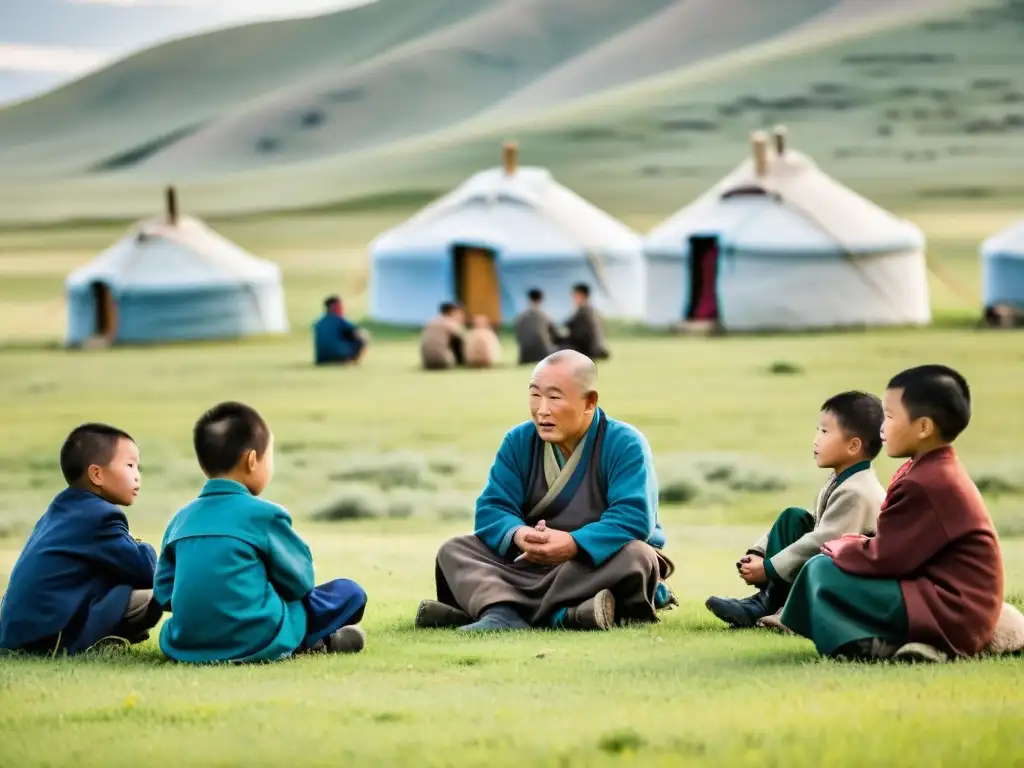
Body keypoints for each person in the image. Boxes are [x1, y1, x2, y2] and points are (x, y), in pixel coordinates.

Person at [415, 349, 676, 632]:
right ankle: (569, 614)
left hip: (591, 563)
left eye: (554, 397)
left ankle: (503, 611)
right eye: (535, 395)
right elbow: (492, 508)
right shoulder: (519, 441)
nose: (542, 409)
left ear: (589, 402)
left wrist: (573, 543)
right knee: (455, 550)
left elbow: (633, 518)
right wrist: (519, 535)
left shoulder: (625, 443)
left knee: (638, 557)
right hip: (530, 563)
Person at [780, 365, 1004, 663]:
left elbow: (887, 558)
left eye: (889, 417)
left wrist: (845, 546)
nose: (881, 428)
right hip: (949, 599)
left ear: (923, 427)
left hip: (952, 609)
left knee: (823, 569)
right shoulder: (933, 469)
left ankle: (872, 648)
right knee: (824, 566)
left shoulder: (927, 482)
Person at [154, 402, 368, 663]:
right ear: (252, 460)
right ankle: (311, 642)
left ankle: (318, 641)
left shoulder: (180, 520)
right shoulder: (266, 515)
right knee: (349, 592)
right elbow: (300, 582)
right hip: (257, 637)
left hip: (186, 643)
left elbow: (164, 593)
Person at [705, 391, 885, 629]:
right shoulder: (843, 479)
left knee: (813, 542)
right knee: (794, 518)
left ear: (853, 446)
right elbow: (814, 529)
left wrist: (768, 569)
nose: (816, 439)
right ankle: (766, 602)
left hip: (850, 581)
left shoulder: (857, 492)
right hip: (830, 566)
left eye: (824, 432)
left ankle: (776, 608)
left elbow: (822, 540)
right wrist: (760, 552)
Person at [0, 424, 161, 656]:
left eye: (138, 467)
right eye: (130, 465)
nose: (137, 475)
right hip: (50, 640)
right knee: (155, 593)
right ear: (96, 474)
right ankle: (93, 644)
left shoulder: (60, 509)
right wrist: (143, 546)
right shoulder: (101, 517)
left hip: (19, 634)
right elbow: (146, 569)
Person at [313, 295, 369, 365]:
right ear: (334, 307)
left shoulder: (318, 322)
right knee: (362, 336)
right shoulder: (340, 320)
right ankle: (353, 362)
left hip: (321, 359)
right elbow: (356, 332)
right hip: (339, 357)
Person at [514, 288, 564, 365]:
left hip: (525, 356)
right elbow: (555, 335)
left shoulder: (521, 317)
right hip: (544, 355)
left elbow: (518, 337)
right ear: (541, 299)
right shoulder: (545, 316)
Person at [561, 283, 609, 361]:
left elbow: (575, 334)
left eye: (575, 295)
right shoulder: (593, 311)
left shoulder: (583, 312)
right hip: (597, 348)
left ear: (581, 295)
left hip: (589, 350)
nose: (573, 298)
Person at [420, 302, 466, 370]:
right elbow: (463, 341)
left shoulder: (430, 322)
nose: (461, 316)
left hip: (426, 363)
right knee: (458, 340)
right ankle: (461, 363)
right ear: (451, 312)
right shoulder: (451, 323)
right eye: (459, 313)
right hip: (443, 362)